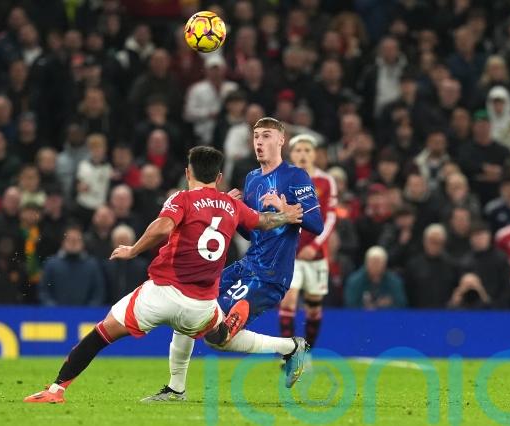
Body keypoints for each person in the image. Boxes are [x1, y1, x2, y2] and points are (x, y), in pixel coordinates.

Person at [24, 146, 308, 403]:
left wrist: (133, 250)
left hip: (162, 293)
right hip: (201, 305)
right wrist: (287, 216)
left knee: (102, 333)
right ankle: (284, 346)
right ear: (219, 177)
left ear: (188, 173)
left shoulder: (182, 198)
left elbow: (162, 227)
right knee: (217, 338)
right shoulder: (232, 205)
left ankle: (56, 390)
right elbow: (264, 221)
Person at [145, 117, 324, 402]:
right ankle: (175, 389)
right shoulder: (252, 178)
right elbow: (250, 231)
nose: (259, 142)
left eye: (266, 136)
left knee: (216, 335)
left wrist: (286, 208)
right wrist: (233, 210)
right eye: (256, 136)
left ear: (281, 140)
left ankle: (291, 347)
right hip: (246, 265)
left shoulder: (296, 176)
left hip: (270, 274)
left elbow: (317, 224)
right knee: (189, 311)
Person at [278, 134, 337, 358]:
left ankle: (307, 353)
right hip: (290, 252)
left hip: (316, 255)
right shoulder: (283, 179)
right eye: (298, 150)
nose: (303, 154)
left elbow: (331, 217)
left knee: (314, 307)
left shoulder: (326, 181)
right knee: (289, 300)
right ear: (291, 154)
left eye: (307, 150)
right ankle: (289, 354)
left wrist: (316, 244)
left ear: (315, 155)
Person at [38, 225, 106, 306]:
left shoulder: (92, 265)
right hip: (56, 313)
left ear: (83, 243)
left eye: (77, 240)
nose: (73, 243)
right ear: (63, 242)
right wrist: (54, 309)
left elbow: (98, 293)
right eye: (69, 240)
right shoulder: (51, 264)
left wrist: (89, 310)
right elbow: (44, 291)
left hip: (86, 313)